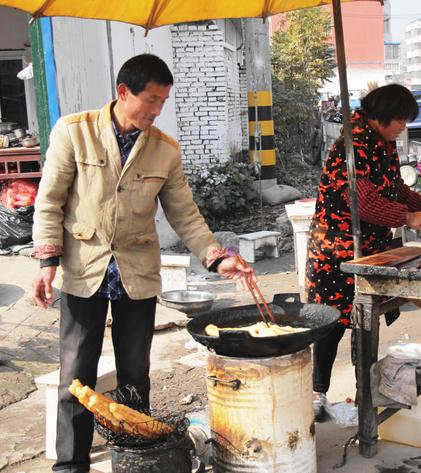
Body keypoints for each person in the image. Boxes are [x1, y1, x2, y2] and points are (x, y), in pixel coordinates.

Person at [32, 54, 255, 472]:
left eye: (162, 102)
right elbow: (50, 201)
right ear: (123, 93)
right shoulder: (73, 132)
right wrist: (47, 260)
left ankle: (133, 457)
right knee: (75, 376)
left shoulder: (164, 149)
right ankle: (70, 464)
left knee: (135, 374)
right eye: (150, 100)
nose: (156, 111)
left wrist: (216, 258)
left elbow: (184, 213)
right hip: (84, 269)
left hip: (137, 273)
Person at [305, 84, 421, 420]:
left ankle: (364, 390)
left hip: (369, 248)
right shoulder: (352, 146)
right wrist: (407, 217)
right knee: (330, 325)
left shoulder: (382, 143)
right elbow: (365, 202)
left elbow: (394, 186)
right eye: (400, 119)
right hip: (336, 251)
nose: (403, 126)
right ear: (381, 115)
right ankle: (318, 393)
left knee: (364, 320)